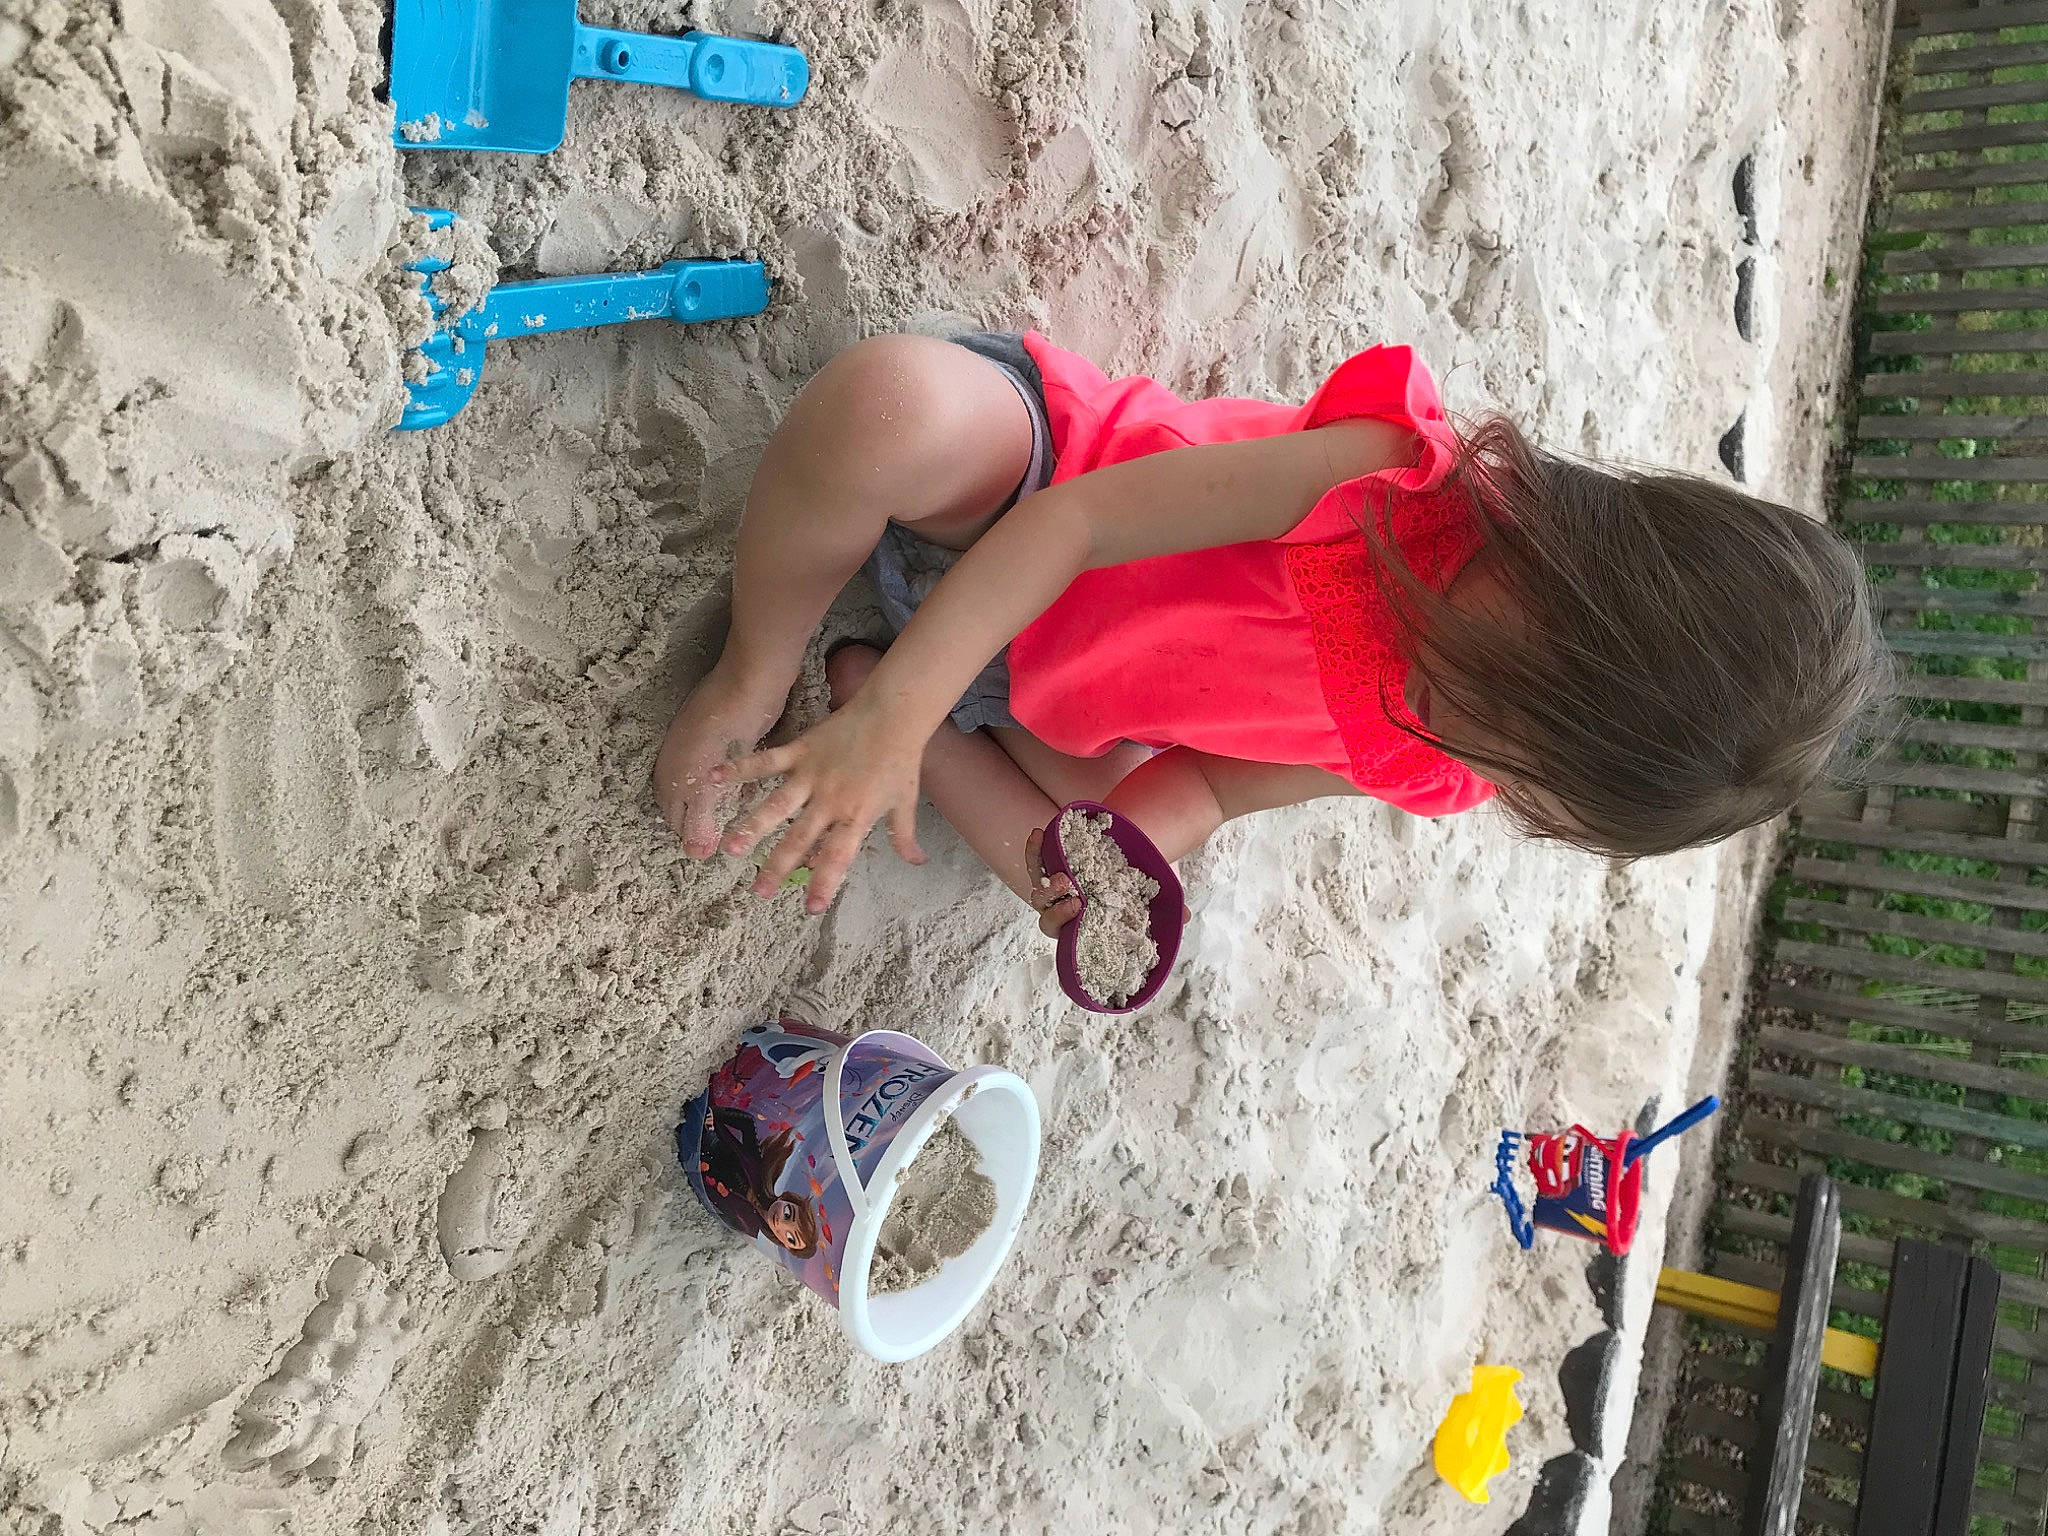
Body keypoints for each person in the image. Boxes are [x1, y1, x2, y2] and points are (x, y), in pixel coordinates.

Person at [652, 331, 1891, 934]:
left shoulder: (1435, 755)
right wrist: (905, 711)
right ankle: (762, 671)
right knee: (887, 404)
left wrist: (1121, 872)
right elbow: (1074, 526)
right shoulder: (1392, 483)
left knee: (1070, 846)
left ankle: (883, 701)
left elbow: (1204, 785)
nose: (1472, 730)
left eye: (1518, 761)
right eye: (1516, 691)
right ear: (1576, 552)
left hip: (1043, 692)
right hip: (1026, 491)